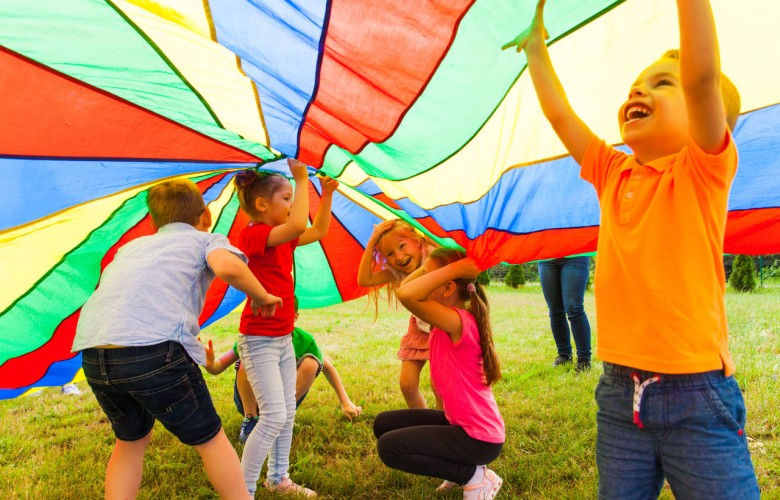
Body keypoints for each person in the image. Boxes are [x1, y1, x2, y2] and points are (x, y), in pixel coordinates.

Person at [504, 1, 759, 497]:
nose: (639, 89)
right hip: (620, 395)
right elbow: (561, 116)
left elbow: (703, 77)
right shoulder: (612, 172)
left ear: (706, 117)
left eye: (664, 82)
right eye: (636, 84)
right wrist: (537, 50)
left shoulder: (703, 171)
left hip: (697, 397)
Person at [71, 179, 281, 500]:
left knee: (129, 441)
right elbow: (228, 267)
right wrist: (263, 296)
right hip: (154, 350)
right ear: (206, 216)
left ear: (154, 222)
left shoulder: (131, 247)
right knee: (210, 439)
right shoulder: (205, 240)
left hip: (95, 353)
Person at [233, 159, 338, 497]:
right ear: (262, 204)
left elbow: (317, 231)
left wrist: (329, 194)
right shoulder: (254, 235)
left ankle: (278, 478)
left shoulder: (281, 239)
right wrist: (303, 178)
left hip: (282, 338)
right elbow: (295, 226)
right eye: (287, 198)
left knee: (286, 412)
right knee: (273, 416)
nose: (294, 205)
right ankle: (242, 490)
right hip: (259, 340)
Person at [374, 248, 504, 500]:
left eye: (429, 276)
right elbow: (408, 286)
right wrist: (430, 265)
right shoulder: (447, 318)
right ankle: (468, 468)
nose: (423, 279)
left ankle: (473, 477)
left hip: (478, 438)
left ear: (447, 288)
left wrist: (454, 268)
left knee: (390, 448)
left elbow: (406, 293)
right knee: (383, 424)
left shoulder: (458, 321)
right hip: (461, 425)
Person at [203, 298, 362, 444]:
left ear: (295, 317)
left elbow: (326, 366)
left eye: (283, 316)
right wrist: (210, 363)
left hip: (284, 401)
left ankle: (280, 419)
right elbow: (218, 367)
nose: (277, 322)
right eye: (272, 315)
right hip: (252, 400)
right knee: (247, 358)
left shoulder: (304, 341)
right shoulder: (253, 338)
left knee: (312, 362)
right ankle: (250, 420)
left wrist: (345, 401)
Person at [357, 219, 441, 409]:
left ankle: (442, 425)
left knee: (439, 386)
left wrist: (426, 234)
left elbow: (452, 251)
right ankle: (422, 424)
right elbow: (363, 279)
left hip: (443, 328)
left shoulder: (433, 255)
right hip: (420, 328)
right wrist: (372, 242)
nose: (399, 256)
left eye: (402, 246)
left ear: (417, 240)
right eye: (390, 253)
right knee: (407, 384)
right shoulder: (396, 272)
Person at [537, 256, 592, 371]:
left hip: (575, 255)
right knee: (555, 309)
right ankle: (564, 355)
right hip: (547, 256)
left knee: (573, 307)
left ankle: (584, 359)